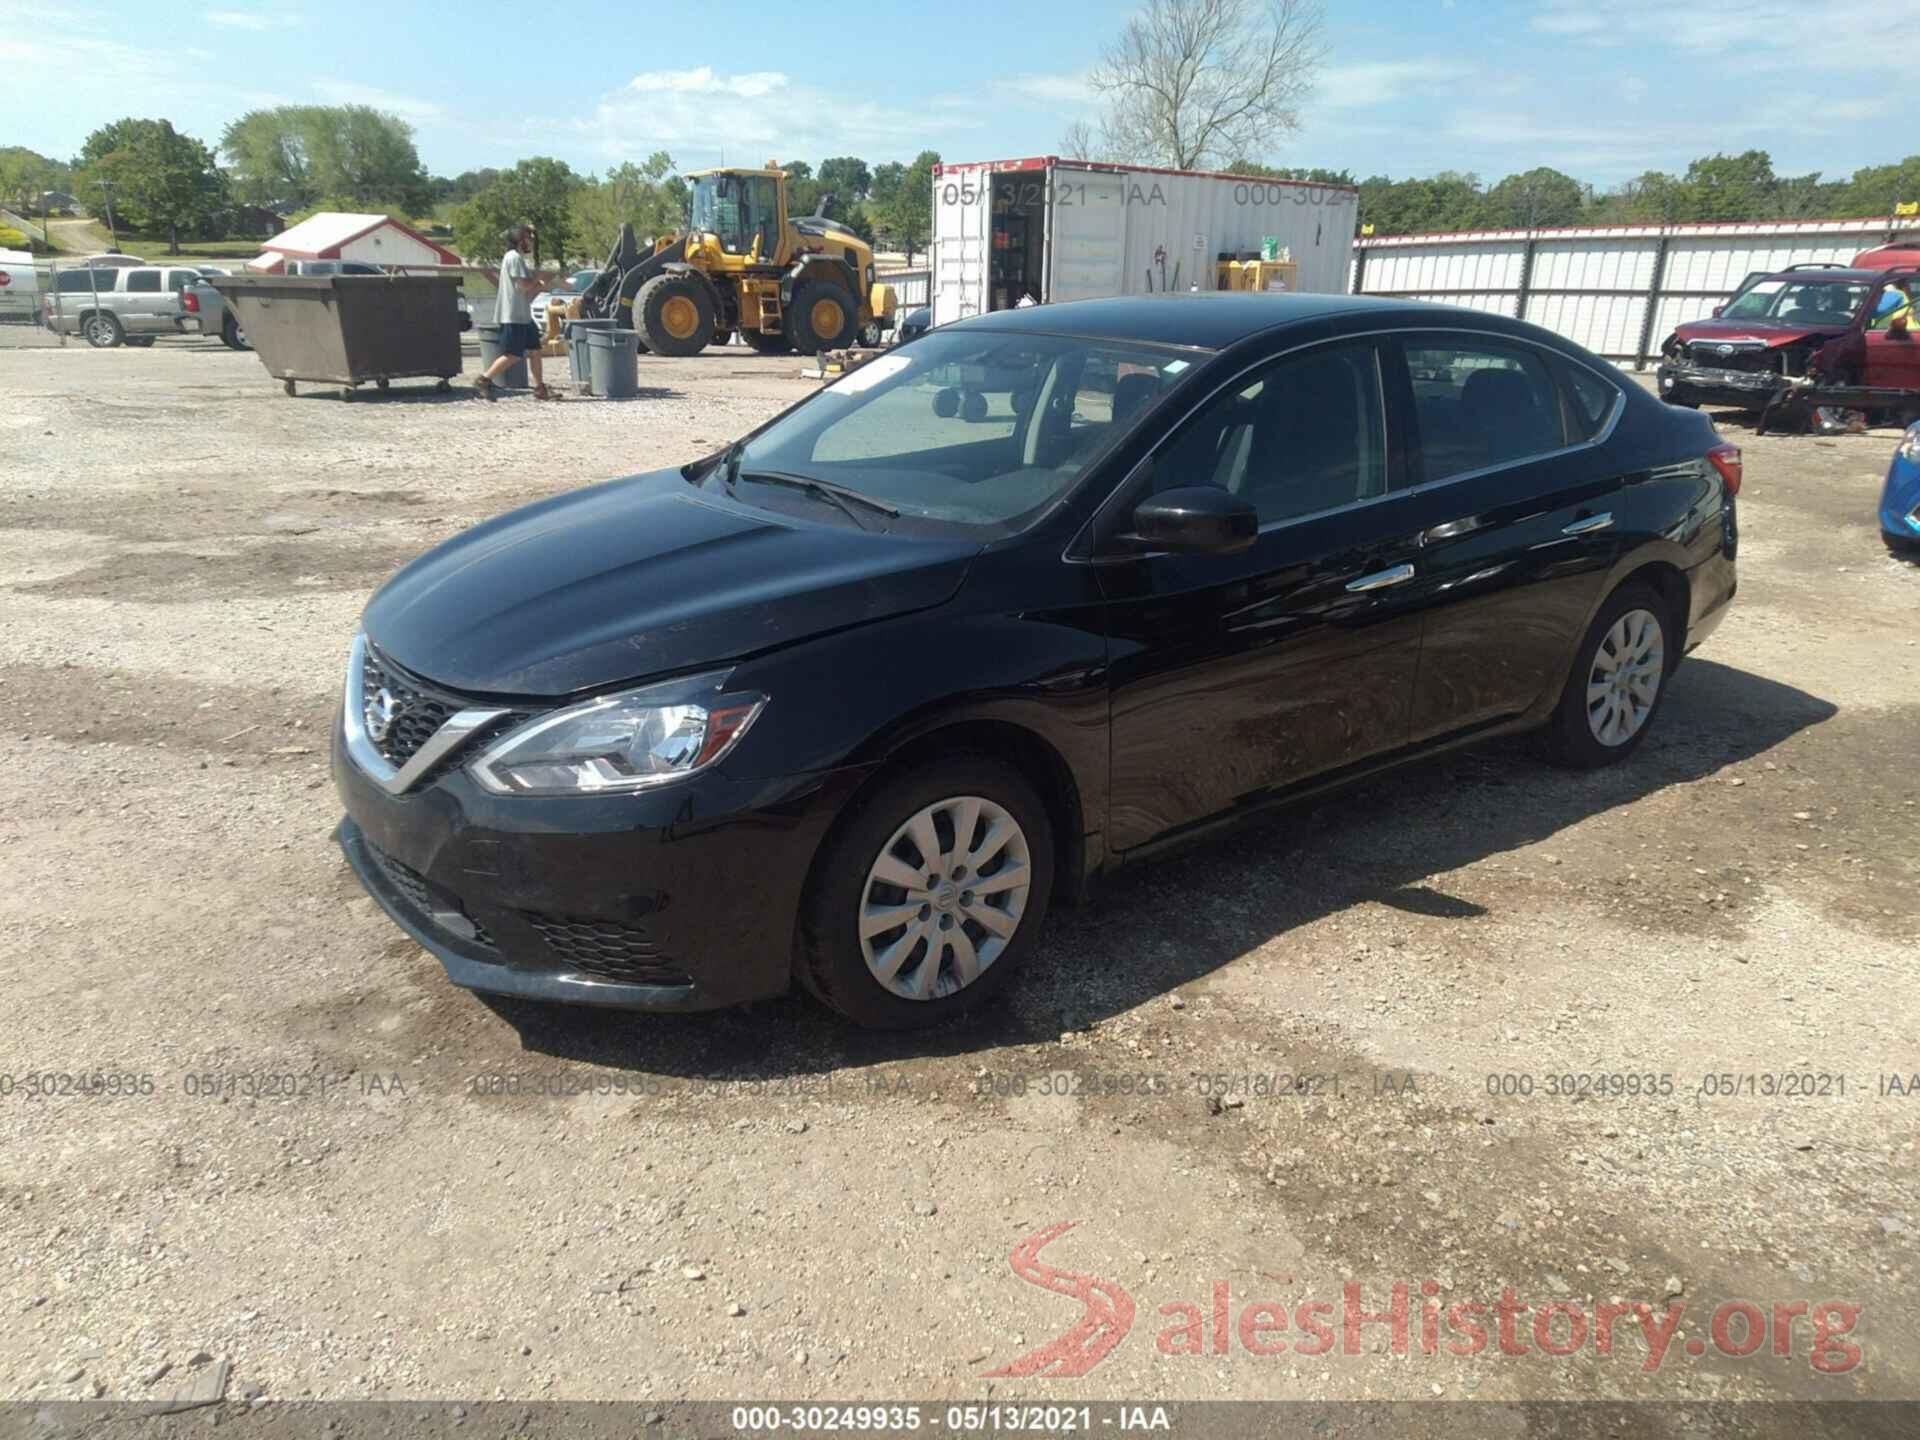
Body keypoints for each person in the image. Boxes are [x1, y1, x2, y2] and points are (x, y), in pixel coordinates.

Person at [475, 223, 568, 401]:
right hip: (513, 315)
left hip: (523, 315)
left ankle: (540, 388)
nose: (530, 242)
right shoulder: (514, 258)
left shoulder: (515, 258)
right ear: (520, 239)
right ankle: (484, 379)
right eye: (528, 238)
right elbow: (524, 286)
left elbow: (526, 289)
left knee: (534, 350)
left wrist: (542, 285)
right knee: (512, 355)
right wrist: (539, 280)